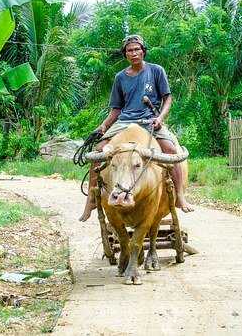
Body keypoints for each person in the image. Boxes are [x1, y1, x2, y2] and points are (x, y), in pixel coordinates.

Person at [79, 34, 193, 221]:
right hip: (124, 122)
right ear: (125, 54)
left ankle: (180, 196)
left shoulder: (156, 71)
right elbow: (116, 109)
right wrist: (104, 126)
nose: (134, 53)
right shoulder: (120, 78)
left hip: (150, 120)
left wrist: (160, 118)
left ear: (143, 51)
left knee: (172, 151)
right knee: (98, 151)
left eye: (137, 49)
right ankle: (92, 198)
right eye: (130, 50)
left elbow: (168, 98)